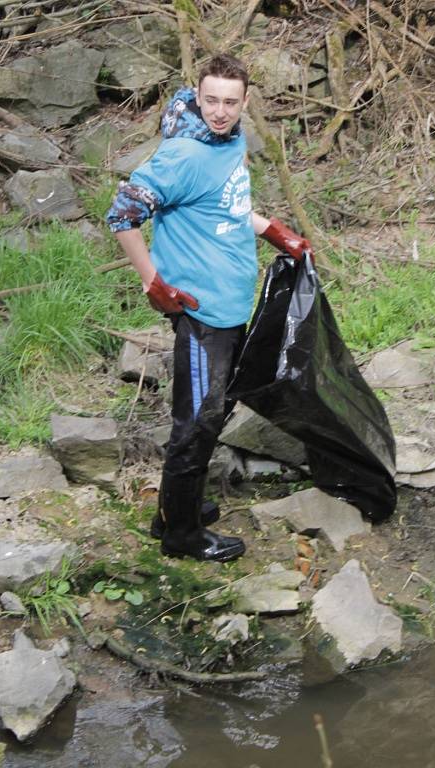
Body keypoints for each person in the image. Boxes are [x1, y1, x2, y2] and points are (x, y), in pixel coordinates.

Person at [107, 53, 313, 563]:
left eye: (230, 102)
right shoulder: (184, 154)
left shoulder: (229, 142)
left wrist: (271, 230)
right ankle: (180, 536)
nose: (219, 111)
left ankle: (174, 511)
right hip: (201, 311)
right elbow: (122, 213)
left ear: (245, 102)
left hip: (230, 302)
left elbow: (225, 205)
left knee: (213, 411)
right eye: (211, 100)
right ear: (197, 98)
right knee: (197, 422)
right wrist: (153, 281)